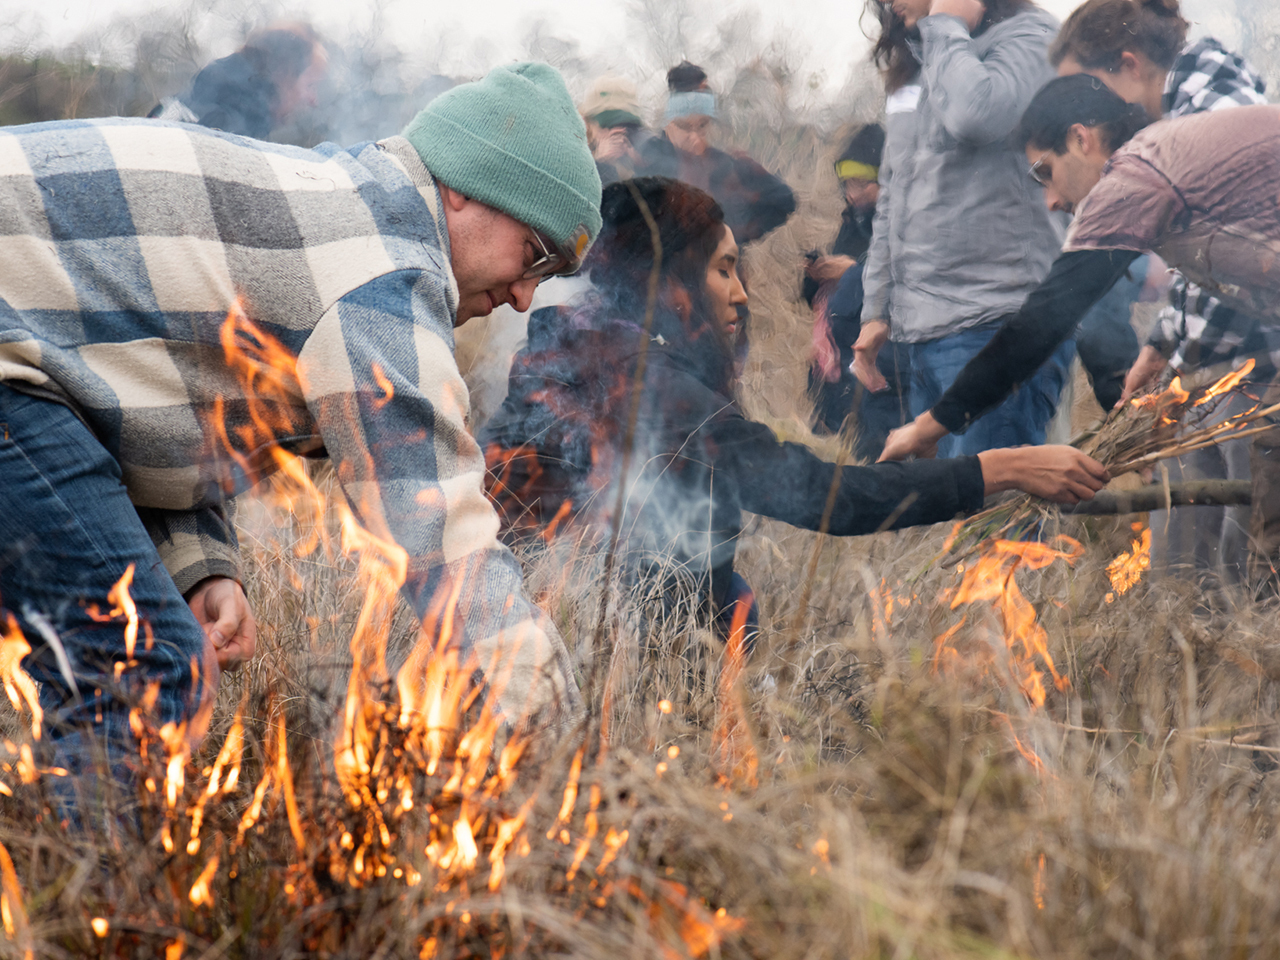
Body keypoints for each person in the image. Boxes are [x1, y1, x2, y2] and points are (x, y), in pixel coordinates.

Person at [0, 62, 601, 785]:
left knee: (142, 659)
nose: (527, 296)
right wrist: (566, 749)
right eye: (534, 254)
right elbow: (441, 539)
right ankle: (84, 895)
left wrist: (200, 563)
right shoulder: (380, 275)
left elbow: (133, 382)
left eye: (552, 273)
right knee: (141, 670)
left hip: (21, 361)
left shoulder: (342, 207)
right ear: (469, 186)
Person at [480, 177, 1109, 643]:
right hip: (584, 641)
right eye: (723, 270)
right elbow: (827, 497)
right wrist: (1000, 469)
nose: (742, 292)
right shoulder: (657, 392)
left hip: (527, 616)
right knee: (730, 612)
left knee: (732, 601)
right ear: (670, 285)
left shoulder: (573, 349)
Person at [877, 76, 1280, 570]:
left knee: (1263, 551)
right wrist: (1156, 350)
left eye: (1044, 172)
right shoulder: (1166, 158)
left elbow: (1041, 322)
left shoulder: (1133, 174)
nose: (1050, 199)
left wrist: (931, 425)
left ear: (1080, 139)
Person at [1050, 0, 1269, 584]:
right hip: (1207, 377)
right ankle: (1183, 670)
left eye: (1086, 90)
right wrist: (1164, 343)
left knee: (1245, 570)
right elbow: (1208, 266)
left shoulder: (1217, 106)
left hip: (1254, 380)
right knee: (1181, 570)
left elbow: (1248, 258)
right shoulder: (1171, 120)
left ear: (1129, 65)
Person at [852, 0, 1074, 459]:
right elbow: (894, 190)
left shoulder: (1031, 38)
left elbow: (977, 116)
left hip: (997, 327)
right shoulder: (920, 61)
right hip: (924, 334)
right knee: (949, 518)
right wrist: (876, 309)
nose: (890, 4)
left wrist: (948, 23)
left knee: (993, 520)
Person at [804, 124, 912, 457]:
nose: (853, 193)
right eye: (847, 184)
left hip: (888, 368)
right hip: (844, 369)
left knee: (882, 454)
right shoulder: (853, 221)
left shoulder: (904, 224)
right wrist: (816, 275)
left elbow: (902, 284)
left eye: (863, 183)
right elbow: (818, 301)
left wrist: (851, 272)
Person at [635, 61, 796, 245]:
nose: (695, 137)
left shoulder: (728, 165)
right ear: (669, 126)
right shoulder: (648, 162)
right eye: (684, 127)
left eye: (702, 125)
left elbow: (784, 200)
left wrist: (739, 235)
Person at [148, 22, 329, 139]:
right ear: (283, 73)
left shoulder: (208, 103)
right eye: (310, 85)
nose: (313, 100)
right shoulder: (225, 127)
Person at [581, 74, 652, 186]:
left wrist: (643, 168)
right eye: (609, 125)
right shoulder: (573, 159)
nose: (619, 133)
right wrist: (599, 164)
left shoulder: (642, 152)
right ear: (587, 124)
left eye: (628, 126)